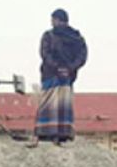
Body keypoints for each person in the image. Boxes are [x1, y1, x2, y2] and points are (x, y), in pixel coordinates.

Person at [35, 8, 87, 145]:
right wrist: (64, 68)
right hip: (58, 74)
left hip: (59, 75)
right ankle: (55, 133)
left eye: (53, 19)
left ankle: (54, 132)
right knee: (57, 103)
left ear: (58, 20)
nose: (52, 22)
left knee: (57, 103)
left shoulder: (69, 37)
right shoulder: (72, 37)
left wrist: (65, 68)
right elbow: (46, 54)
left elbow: (82, 55)